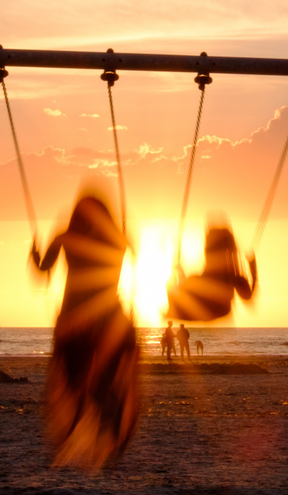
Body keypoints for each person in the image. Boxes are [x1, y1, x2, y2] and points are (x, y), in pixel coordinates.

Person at [30, 190, 139, 468]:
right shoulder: (119, 240)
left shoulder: (65, 237)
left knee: (74, 382)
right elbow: (133, 255)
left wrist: (35, 256)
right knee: (103, 382)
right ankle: (108, 420)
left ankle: (88, 418)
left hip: (75, 319)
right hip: (108, 318)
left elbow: (42, 271)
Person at [166, 219, 256, 322]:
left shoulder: (224, 277)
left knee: (175, 285)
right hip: (215, 311)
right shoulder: (233, 276)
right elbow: (248, 297)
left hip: (207, 310)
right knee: (178, 284)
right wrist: (253, 268)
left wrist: (178, 273)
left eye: (208, 246)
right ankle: (175, 307)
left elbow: (248, 297)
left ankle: (175, 308)